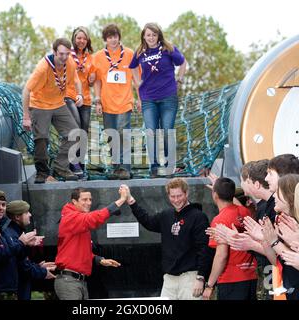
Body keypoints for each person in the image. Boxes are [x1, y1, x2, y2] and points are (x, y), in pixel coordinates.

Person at [121, 178, 213, 300]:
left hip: (190, 278)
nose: (176, 200)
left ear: (186, 193)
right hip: (169, 279)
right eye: (172, 196)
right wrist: (130, 200)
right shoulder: (166, 215)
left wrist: (201, 277)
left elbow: (204, 248)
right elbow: (148, 222)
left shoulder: (198, 217)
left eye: (179, 196)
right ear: (168, 195)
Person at [129, 23, 187, 177]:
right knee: (150, 132)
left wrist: (180, 79)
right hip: (148, 98)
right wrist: (137, 81)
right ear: (144, 36)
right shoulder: (140, 51)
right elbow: (133, 67)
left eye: (154, 35)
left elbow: (182, 62)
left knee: (167, 131)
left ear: (158, 35)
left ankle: (169, 166)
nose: (151, 38)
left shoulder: (168, 48)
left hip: (168, 97)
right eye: (148, 35)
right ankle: (154, 167)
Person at [22, 38, 83, 183]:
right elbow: (26, 91)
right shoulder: (43, 68)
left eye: (67, 54)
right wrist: (26, 116)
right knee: (41, 139)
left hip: (58, 104)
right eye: (61, 54)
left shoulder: (69, 62)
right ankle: (42, 173)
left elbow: (76, 79)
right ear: (54, 52)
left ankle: (61, 167)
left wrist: (79, 94)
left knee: (75, 134)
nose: (64, 57)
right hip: (39, 105)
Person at [54, 187, 125, 300]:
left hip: (77, 282)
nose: (89, 203)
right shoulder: (71, 218)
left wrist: (99, 260)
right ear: (74, 201)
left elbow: (78, 251)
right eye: (84, 200)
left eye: (90, 199)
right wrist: (121, 200)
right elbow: (94, 218)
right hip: (69, 282)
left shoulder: (75, 218)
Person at [203, 178, 257, 300]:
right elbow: (234, 204)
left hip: (231, 279)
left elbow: (221, 256)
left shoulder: (220, 220)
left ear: (215, 195)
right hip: (250, 276)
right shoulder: (244, 211)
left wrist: (210, 285)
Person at [94, 23, 136, 180]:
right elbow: (97, 80)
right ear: (105, 39)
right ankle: (116, 168)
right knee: (112, 136)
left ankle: (125, 168)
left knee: (122, 133)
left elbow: (137, 78)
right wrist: (98, 100)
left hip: (125, 102)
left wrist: (139, 98)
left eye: (115, 37)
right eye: (109, 37)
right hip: (107, 103)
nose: (113, 40)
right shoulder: (98, 57)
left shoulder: (130, 54)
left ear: (119, 37)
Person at [6, 200, 56, 300]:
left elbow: (22, 263)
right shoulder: (14, 236)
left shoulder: (15, 233)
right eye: (26, 212)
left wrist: (38, 267)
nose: (30, 214)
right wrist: (42, 272)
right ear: (17, 217)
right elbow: (23, 268)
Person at [65, 26, 96, 178]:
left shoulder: (91, 58)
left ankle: (80, 165)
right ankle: (73, 164)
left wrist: (91, 79)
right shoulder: (67, 55)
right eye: (79, 38)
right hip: (69, 96)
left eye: (84, 38)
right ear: (74, 39)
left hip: (86, 99)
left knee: (83, 133)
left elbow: (91, 80)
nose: (81, 41)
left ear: (87, 40)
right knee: (74, 130)